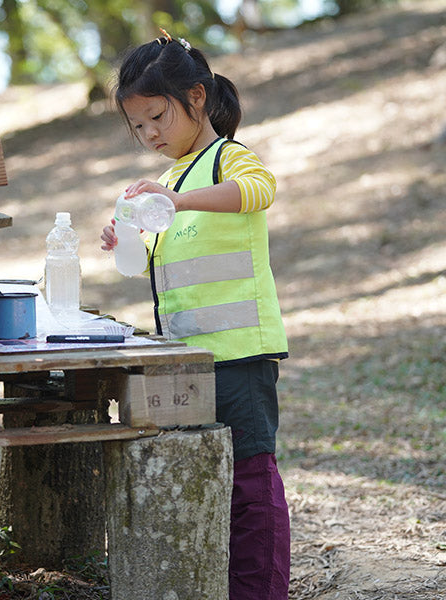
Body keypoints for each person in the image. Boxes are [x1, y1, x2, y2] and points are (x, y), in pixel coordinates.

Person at [100, 30, 291, 600]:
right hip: (190, 357)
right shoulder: (167, 180)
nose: (150, 134)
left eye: (158, 116)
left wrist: (176, 201)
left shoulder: (226, 158)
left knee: (250, 481)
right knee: (211, 478)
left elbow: (260, 190)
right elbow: (153, 263)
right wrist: (125, 238)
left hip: (241, 354)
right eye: (138, 127)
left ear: (197, 97)